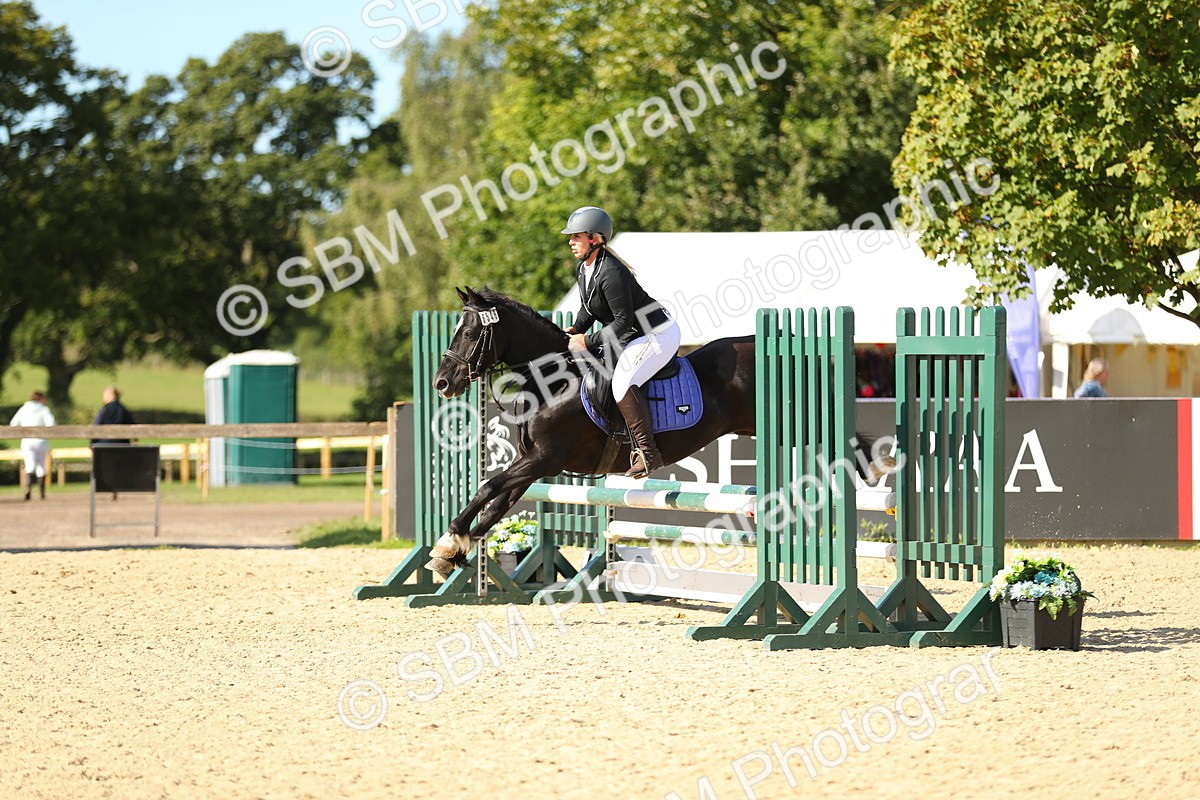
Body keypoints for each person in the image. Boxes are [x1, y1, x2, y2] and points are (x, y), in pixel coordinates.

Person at [560, 206, 681, 478]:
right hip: (632, 335)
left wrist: (588, 340)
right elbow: (589, 308)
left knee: (623, 381)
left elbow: (622, 321)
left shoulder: (611, 272)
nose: (570, 242)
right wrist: (576, 328)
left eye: (576, 237)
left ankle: (649, 453)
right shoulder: (585, 268)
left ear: (595, 238)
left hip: (657, 333)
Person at [9, 391, 55, 501]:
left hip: (27, 441)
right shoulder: (44, 410)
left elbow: (13, 423)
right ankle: (42, 493)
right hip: (41, 441)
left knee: (29, 465)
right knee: (41, 466)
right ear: (41, 399)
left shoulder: (24, 409)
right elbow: (51, 424)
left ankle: (27, 490)